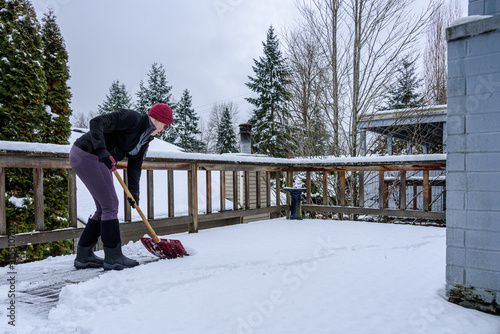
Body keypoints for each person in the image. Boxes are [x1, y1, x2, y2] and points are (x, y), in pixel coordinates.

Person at [69, 103, 173, 270]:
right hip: (89, 154)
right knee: (111, 206)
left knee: (103, 208)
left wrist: (134, 192)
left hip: (96, 159)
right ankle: (113, 257)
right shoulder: (133, 119)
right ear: (156, 119)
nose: (163, 130)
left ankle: (84, 255)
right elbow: (96, 122)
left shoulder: (145, 139)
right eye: (164, 125)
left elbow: (135, 165)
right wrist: (102, 149)